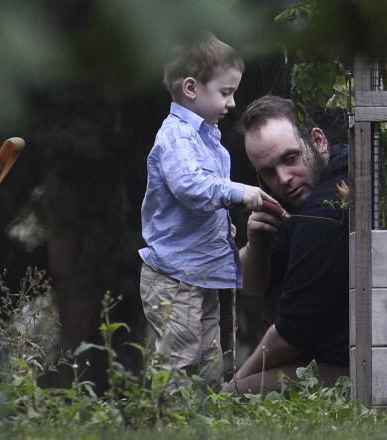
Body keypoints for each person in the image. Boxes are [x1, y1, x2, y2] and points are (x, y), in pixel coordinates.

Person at [139, 32, 273, 396]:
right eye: (226, 92)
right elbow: (191, 188)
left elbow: (200, 204)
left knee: (208, 357)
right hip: (175, 275)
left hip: (200, 272)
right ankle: (172, 424)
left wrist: (223, 226)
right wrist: (239, 192)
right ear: (191, 88)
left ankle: (205, 420)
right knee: (179, 357)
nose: (232, 102)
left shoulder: (207, 138)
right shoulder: (177, 137)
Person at [229, 95, 350, 395]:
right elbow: (250, 286)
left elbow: (291, 336)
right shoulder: (302, 193)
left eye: (290, 158)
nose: (284, 179)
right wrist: (257, 245)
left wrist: (229, 389)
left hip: (354, 368)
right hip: (319, 353)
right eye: (268, 172)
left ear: (318, 141)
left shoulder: (325, 208)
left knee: (238, 395)